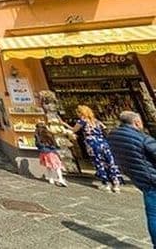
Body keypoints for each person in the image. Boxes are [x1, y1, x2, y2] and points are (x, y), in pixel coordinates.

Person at [108, 111, 156, 244]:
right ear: (137, 122)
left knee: (153, 215)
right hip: (152, 178)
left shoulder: (113, 136)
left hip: (140, 179)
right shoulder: (143, 138)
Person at [65, 105, 122, 192]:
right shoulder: (96, 121)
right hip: (103, 142)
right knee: (109, 161)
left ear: (81, 113)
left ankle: (106, 183)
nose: (77, 114)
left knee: (98, 162)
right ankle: (116, 183)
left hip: (92, 143)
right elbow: (104, 128)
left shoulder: (82, 121)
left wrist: (64, 124)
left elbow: (74, 130)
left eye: (78, 112)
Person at [35, 122, 67, 187]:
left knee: (48, 166)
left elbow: (37, 144)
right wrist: (54, 147)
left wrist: (42, 147)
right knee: (57, 166)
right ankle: (60, 179)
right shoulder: (49, 134)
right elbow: (54, 143)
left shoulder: (37, 135)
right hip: (51, 152)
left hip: (44, 153)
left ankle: (51, 179)